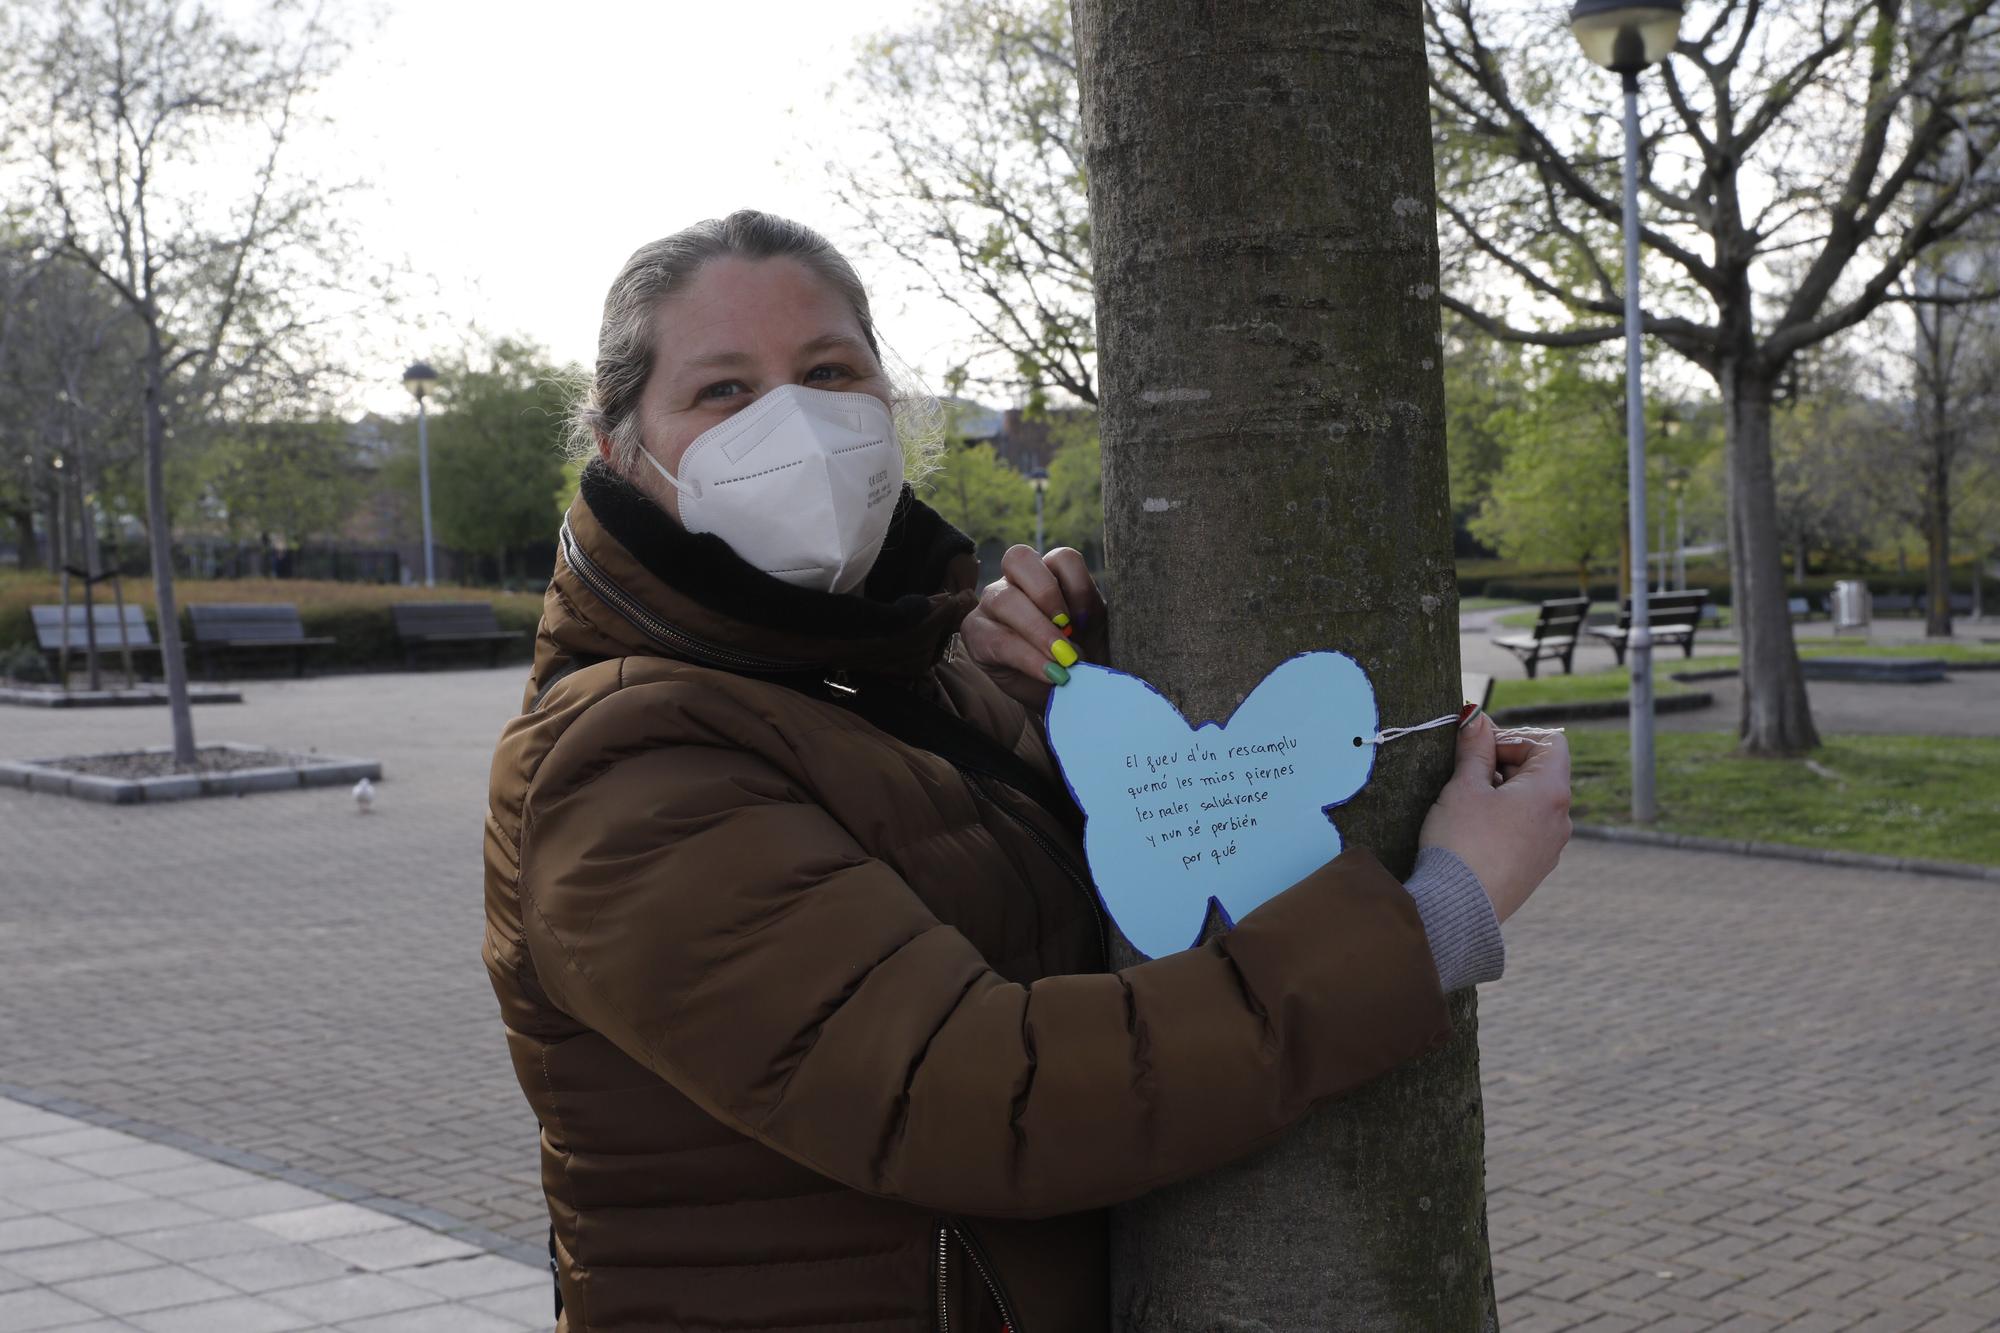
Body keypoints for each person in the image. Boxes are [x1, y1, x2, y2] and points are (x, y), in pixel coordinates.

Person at [483, 210, 1571, 1332]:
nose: (796, 424)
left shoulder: (886, 678)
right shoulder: (620, 764)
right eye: (723, 391)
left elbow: (1053, 923)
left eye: (826, 370)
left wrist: (1097, 721)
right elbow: (989, 1097)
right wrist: (1434, 916)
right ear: (621, 449)